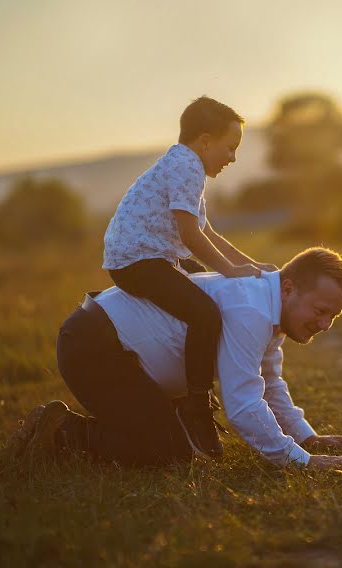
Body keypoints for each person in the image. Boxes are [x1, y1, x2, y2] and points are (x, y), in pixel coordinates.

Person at [7, 247, 342, 470]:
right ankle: (60, 430)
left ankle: (150, 418)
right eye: (320, 310)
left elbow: (268, 383)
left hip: (115, 349)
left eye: (333, 316)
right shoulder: (251, 308)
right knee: (165, 452)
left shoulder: (268, 307)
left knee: (174, 448)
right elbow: (243, 405)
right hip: (94, 347)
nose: (325, 324)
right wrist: (301, 461)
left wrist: (307, 438)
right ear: (288, 289)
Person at [102, 96, 276, 459]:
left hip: (154, 258)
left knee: (217, 288)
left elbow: (205, 230)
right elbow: (189, 234)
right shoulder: (186, 166)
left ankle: (195, 399)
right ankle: (195, 406)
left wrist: (251, 266)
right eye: (230, 148)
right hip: (137, 262)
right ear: (206, 140)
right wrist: (230, 271)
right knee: (205, 313)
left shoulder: (185, 164)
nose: (233, 158)